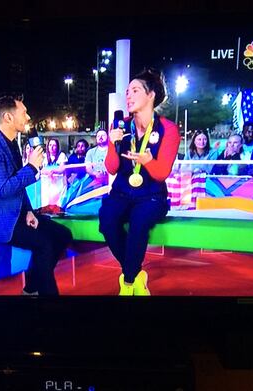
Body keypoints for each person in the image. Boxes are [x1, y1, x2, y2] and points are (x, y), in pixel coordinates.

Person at [0, 93, 72, 296]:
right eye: (24, 112)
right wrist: (32, 167)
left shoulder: (11, 142)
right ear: (8, 117)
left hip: (16, 212)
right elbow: (2, 189)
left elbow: (17, 187)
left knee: (62, 235)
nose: (28, 117)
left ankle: (31, 288)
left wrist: (29, 211)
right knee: (45, 244)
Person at [99, 68, 179, 296]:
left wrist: (148, 160)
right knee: (107, 220)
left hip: (151, 195)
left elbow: (162, 172)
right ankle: (134, 274)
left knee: (138, 223)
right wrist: (112, 145)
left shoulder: (168, 129)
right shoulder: (121, 126)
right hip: (122, 192)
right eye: (127, 92)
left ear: (151, 95)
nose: (129, 96)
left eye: (135, 90)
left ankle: (127, 282)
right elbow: (112, 168)